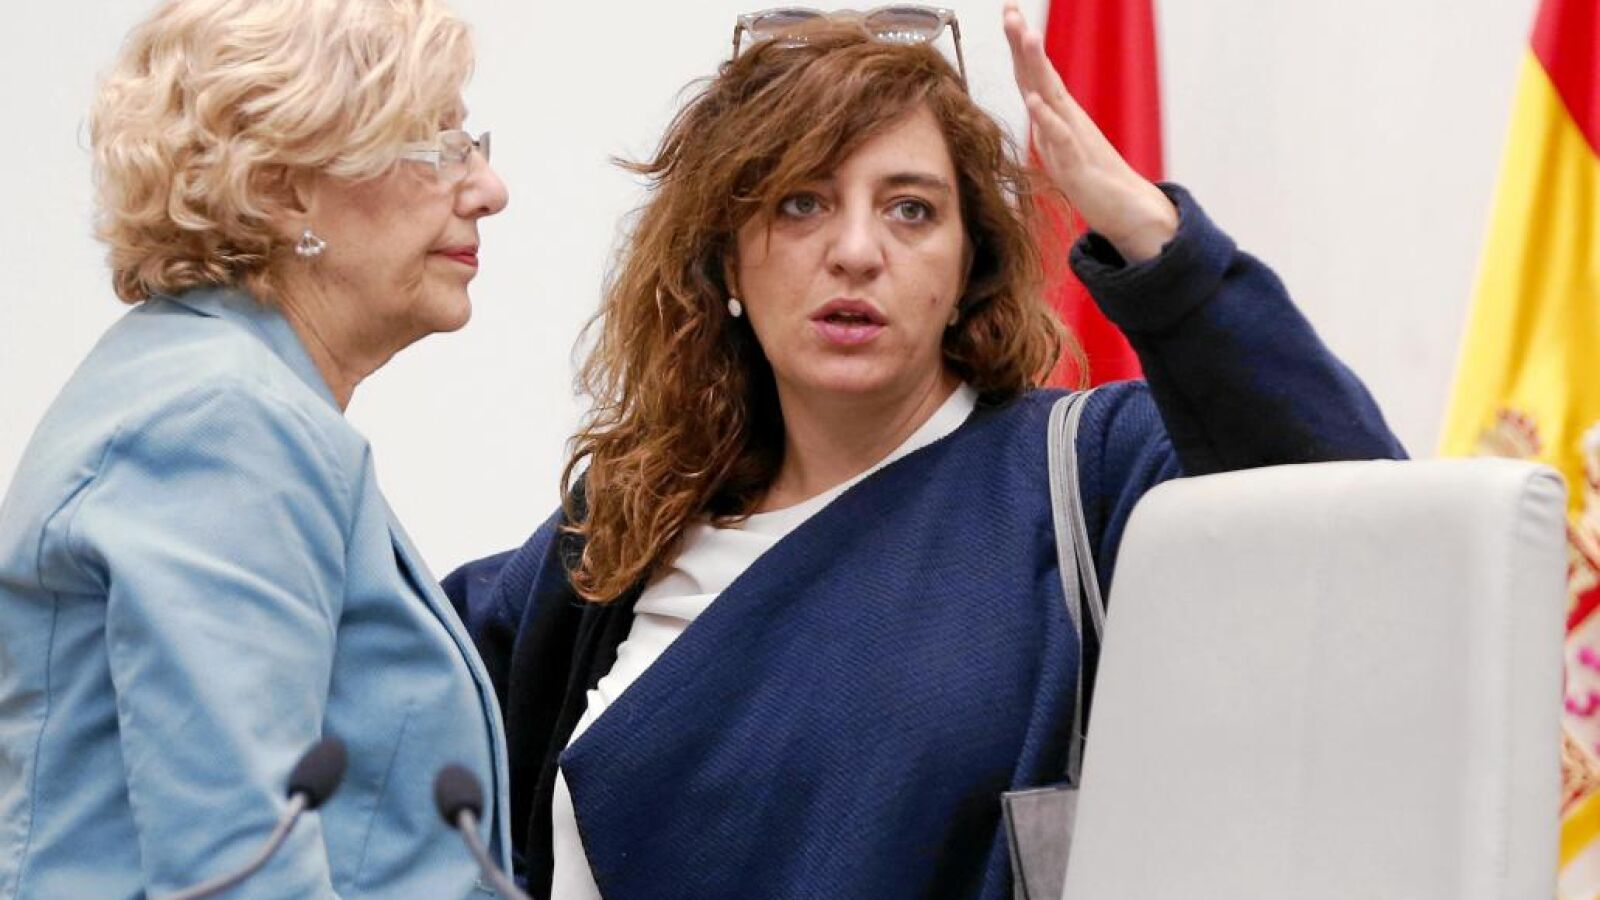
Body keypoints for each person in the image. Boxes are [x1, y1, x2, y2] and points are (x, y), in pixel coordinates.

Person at [445, 4, 1405, 898]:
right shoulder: (625, 524)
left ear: (969, 262)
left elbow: (1371, 525)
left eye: (910, 209)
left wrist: (1153, 240)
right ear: (727, 259)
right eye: (800, 204)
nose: (858, 251)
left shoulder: (1085, 473)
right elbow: (399, 691)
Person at [0, 0, 511, 896]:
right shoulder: (221, 420)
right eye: (438, 145)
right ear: (281, 190)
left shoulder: (219, 388)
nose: (488, 189)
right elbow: (242, 869)